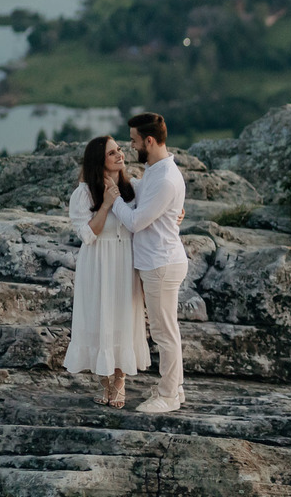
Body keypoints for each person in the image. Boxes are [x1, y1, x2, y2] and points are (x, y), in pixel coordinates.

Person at [106, 112, 189, 414]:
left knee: (164, 333)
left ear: (149, 141)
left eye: (134, 141)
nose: (131, 147)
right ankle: (174, 388)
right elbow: (144, 196)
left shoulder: (165, 177)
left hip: (161, 264)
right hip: (157, 261)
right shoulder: (156, 170)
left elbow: (137, 221)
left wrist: (113, 199)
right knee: (166, 330)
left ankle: (168, 395)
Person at [63, 135, 151, 409]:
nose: (120, 155)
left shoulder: (134, 188)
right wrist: (105, 204)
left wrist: (176, 213)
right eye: (112, 153)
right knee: (100, 318)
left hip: (125, 263)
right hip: (98, 264)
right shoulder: (84, 193)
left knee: (123, 318)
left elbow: (151, 214)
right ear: (99, 161)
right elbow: (88, 235)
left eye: (120, 150)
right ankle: (103, 381)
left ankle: (120, 382)